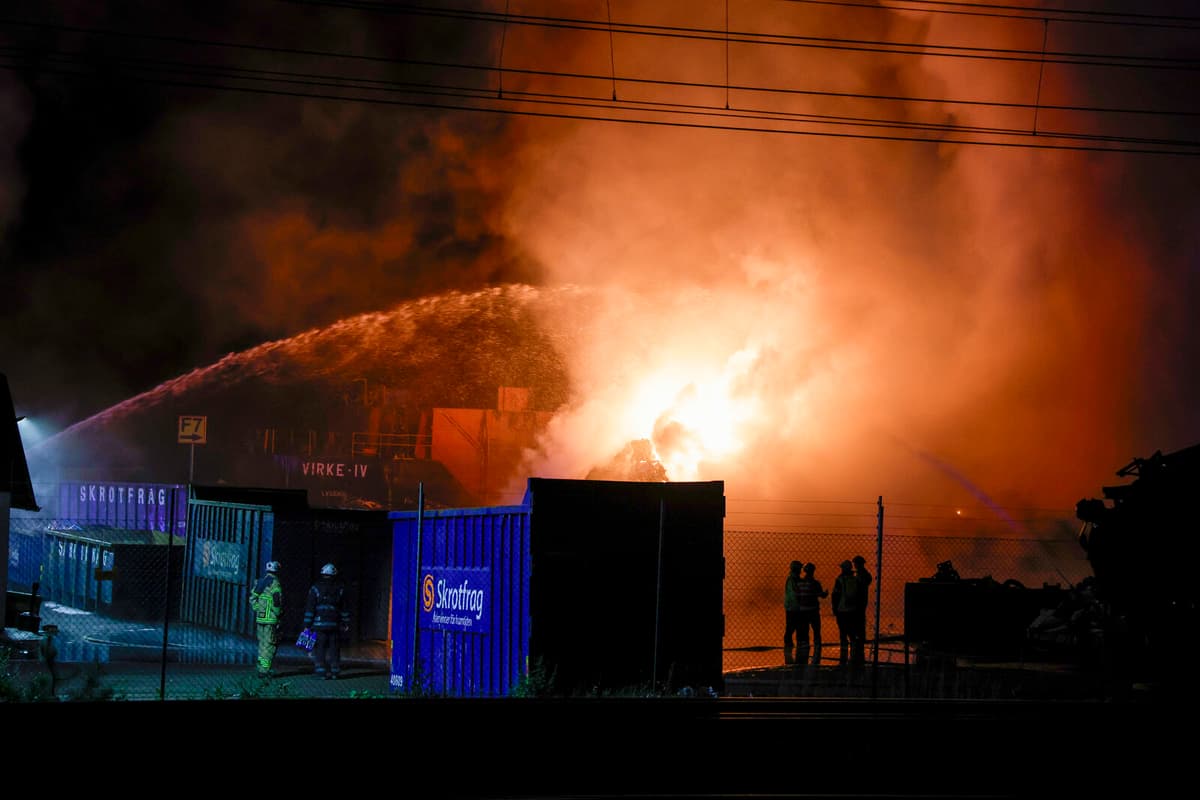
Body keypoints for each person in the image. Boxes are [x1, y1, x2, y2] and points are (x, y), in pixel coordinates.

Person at [304, 562, 350, 680]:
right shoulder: (340, 588)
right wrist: (345, 622)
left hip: (319, 625)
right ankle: (335, 671)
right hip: (334, 625)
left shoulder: (315, 588)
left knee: (320, 648)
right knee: (334, 648)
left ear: (322, 573)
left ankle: (321, 672)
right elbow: (344, 608)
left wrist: (307, 625)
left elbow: (310, 608)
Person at [249, 560, 283, 678]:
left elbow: (253, 598)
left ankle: (260, 668)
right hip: (271, 620)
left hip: (260, 619)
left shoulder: (260, 582)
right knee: (269, 646)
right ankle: (264, 670)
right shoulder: (275, 584)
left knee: (262, 644)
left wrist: (259, 609)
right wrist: (278, 615)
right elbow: (277, 602)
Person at [795, 562, 828, 665]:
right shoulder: (815, 583)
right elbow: (821, 595)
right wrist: (825, 594)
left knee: (804, 632)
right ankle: (817, 649)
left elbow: (797, 597)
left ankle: (804, 650)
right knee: (816, 631)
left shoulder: (799, 583)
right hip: (813, 611)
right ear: (813, 571)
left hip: (802, 611)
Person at [831, 559, 862, 666]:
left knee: (843, 632)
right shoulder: (855, 579)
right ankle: (853, 652)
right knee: (852, 632)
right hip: (853, 610)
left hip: (842, 610)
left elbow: (835, 595)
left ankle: (843, 655)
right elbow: (859, 595)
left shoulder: (839, 580)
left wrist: (834, 608)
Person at [782, 560, 804, 665]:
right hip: (793, 607)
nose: (800, 570)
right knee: (791, 627)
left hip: (794, 607)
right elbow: (797, 592)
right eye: (799, 568)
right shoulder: (793, 580)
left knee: (795, 627)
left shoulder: (794, 579)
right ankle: (788, 646)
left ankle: (790, 648)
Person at [852, 555, 873, 665]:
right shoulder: (862, 574)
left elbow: (864, 582)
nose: (854, 565)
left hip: (859, 600)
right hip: (861, 599)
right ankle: (860, 636)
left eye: (855, 563)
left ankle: (859, 636)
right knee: (859, 618)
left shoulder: (862, 574)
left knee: (859, 618)